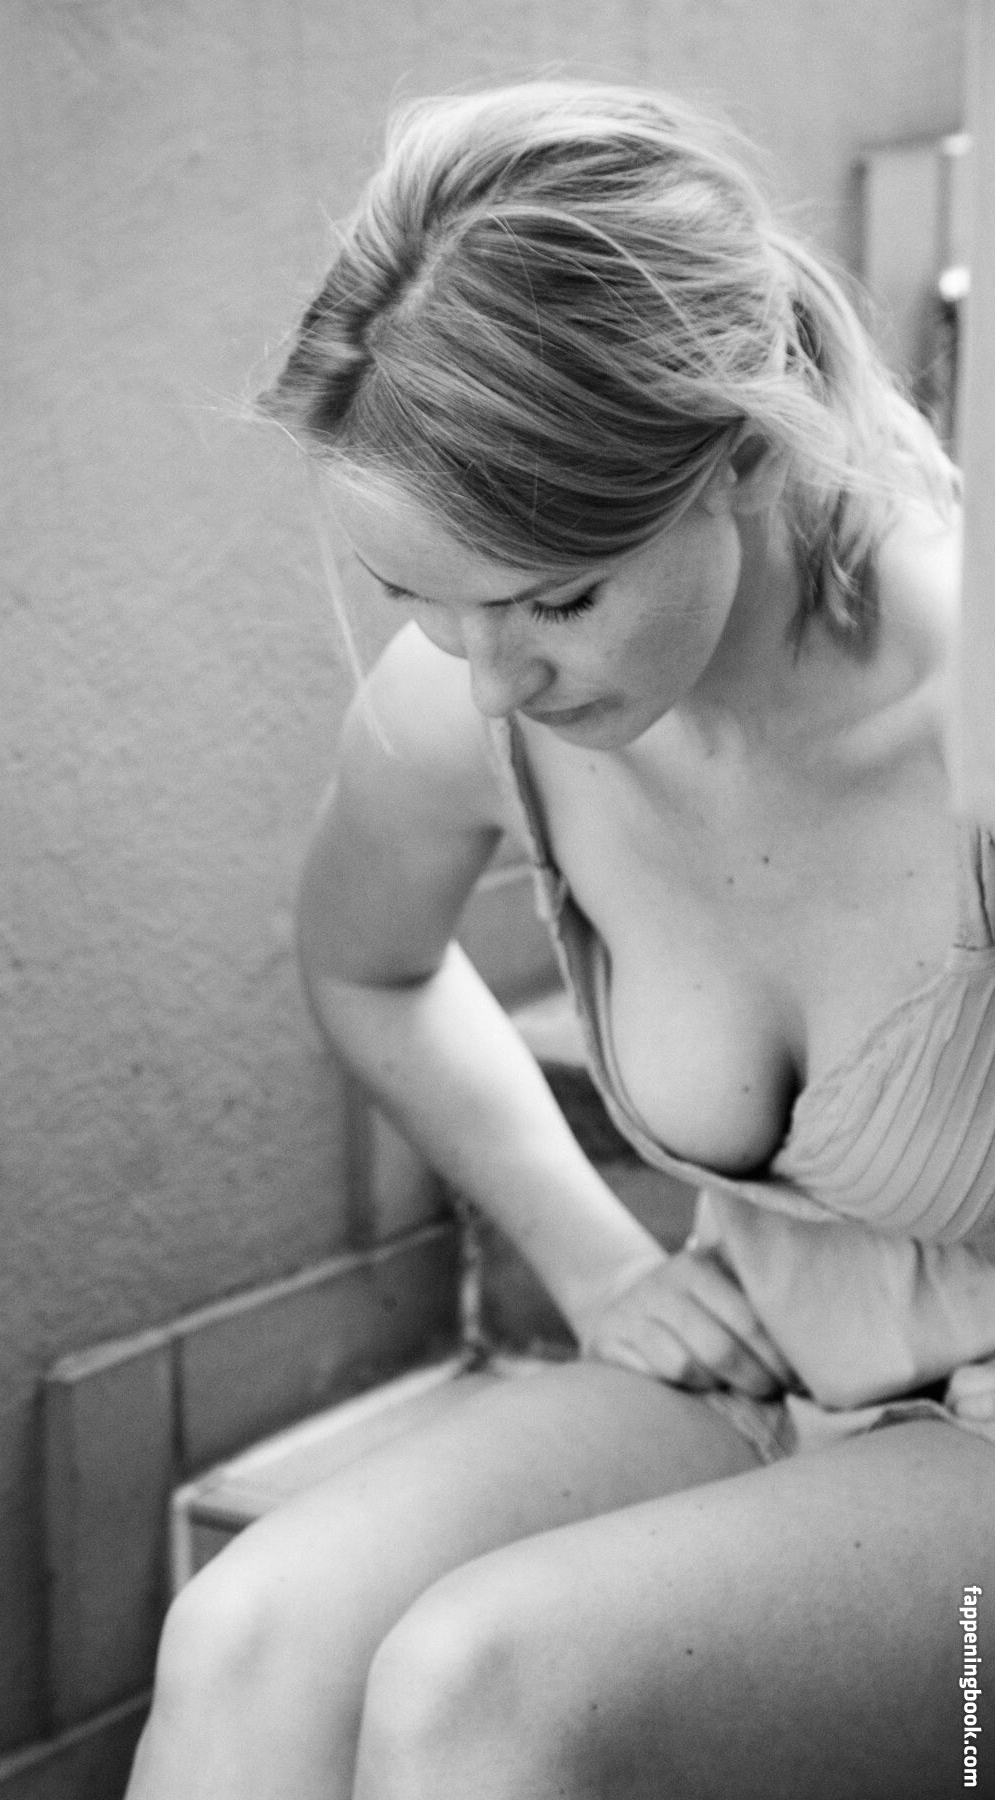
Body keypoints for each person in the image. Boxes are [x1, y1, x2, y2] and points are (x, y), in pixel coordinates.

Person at [126, 81, 995, 1799]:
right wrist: (600, 1266)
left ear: (741, 453)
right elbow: (369, 965)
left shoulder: (968, 705)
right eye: (425, 599)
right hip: (770, 1356)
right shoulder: (475, 705)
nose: (492, 677)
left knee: (484, 1693)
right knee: (248, 1633)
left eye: (558, 598)